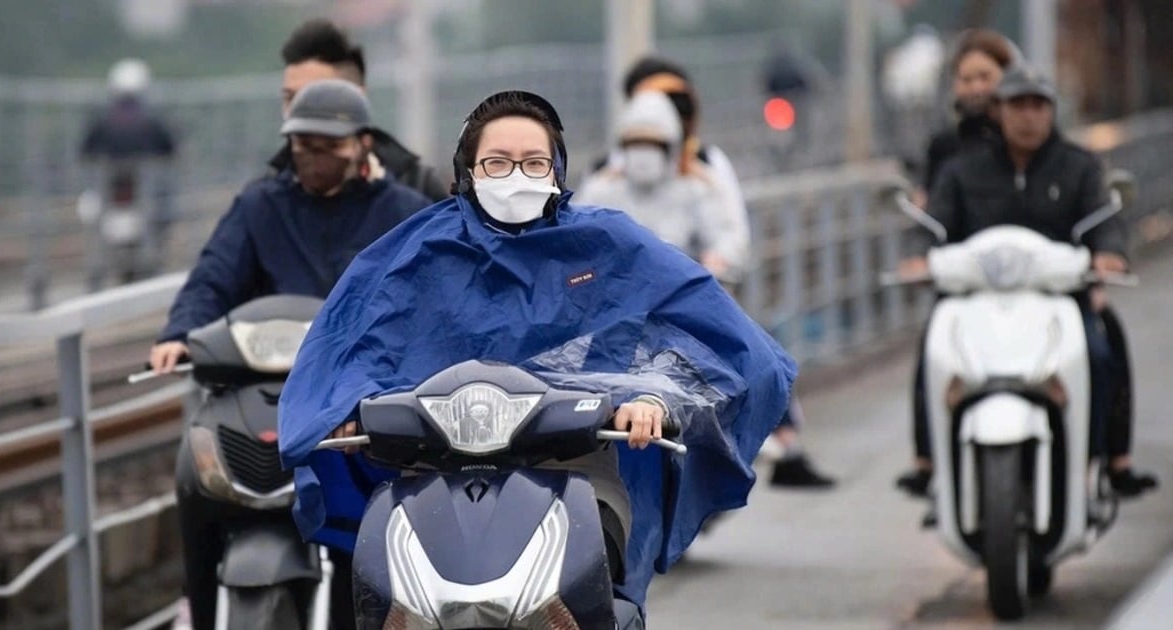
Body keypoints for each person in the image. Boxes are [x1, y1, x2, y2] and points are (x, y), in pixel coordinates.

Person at [277, 91, 797, 617]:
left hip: (576, 471)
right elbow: (353, 344)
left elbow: (699, 334)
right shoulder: (417, 252)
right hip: (431, 477)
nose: (516, 175)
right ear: (468, 170)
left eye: (533, 162)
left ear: (557, 170)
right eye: (497, 163)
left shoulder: (605, 244)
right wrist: (344, 408)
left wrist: (652, 399)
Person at [151, 80, 431, 630]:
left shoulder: (404, 212)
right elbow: (214, 275)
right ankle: (200, 602)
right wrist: (180, 332)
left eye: (328, 144)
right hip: (268, 390)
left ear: (363, 143)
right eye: (303, 143)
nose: (313, 155)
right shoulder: (261, 205)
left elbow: (434, 293)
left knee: (372, 524)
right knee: (196, 475)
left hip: (360, 399)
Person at [895, 65, 1157, 500]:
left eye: (1038, 105)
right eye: (1018, 104)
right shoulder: (962, 170)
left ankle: (1110, 460)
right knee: (932, 351)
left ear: (1052, 111)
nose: (1028, 116)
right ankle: (927, 460)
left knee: (1103, 345)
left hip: (1059, 299)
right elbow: (932, 226)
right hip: (979, 300)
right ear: (999, 110)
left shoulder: (1081, 167)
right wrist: (917, 257)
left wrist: (1109, 255)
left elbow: (1106, 222)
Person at [608, 56, 834, 488]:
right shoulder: (605, 177)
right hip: (623, 309)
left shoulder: (705, 173)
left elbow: (732, 237)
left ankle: (778, 440)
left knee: (754, 352)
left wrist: (711, 268)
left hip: (690, 300)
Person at [272, 18, 448, 202]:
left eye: (316, 95)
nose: (299, 111)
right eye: (290, 98)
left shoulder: (417, 188)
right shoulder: (266, 201)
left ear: (358, 97)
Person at [575, 91, 742, 280]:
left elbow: (727, 238)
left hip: (680, 294)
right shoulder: (600, 189)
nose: (644, 153)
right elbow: (574, 240)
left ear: (671, 148)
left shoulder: (696, 189)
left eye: (654, 144)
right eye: (635, 143)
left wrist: (717, 260)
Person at [79, 58, 178, 285]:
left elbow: (85, 153)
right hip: (141, 196)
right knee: (165, 210)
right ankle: (150, 260)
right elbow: (170, 150)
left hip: (112, 194)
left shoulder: (102, 122)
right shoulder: (151, 123)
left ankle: (109, 269)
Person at [920, 29, 1015, 197]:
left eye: (985, 77)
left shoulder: (1022, 141)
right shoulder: (944, 147)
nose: (976, 88)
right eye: (966, 79)